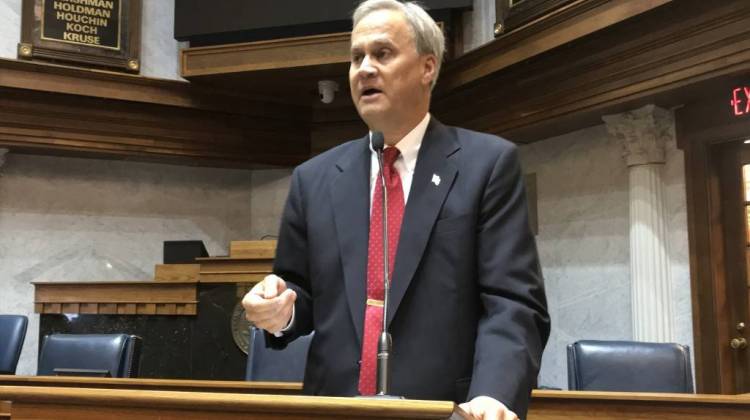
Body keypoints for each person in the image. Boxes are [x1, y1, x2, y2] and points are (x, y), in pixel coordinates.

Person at [242, 1, 550, 419]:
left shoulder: (487, 166)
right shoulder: (313, 179)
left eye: (382, 54)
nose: (364, 68)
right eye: (356, 57)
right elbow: (300, 294)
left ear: (427, 67)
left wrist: (493, 396)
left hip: (446, 412)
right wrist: (278, 310)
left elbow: (512, 304)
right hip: (332, 409)